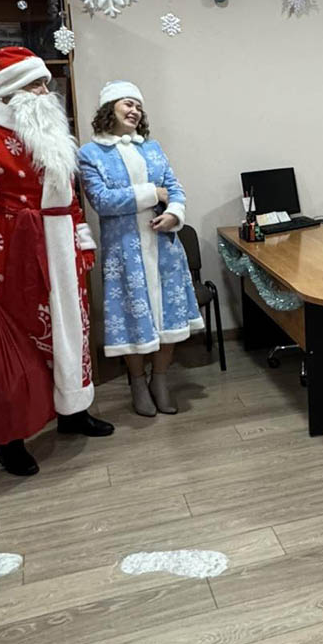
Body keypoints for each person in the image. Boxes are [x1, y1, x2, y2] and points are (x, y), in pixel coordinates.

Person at [0, 46, 114, 476]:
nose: (45, 92)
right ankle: (10, 439)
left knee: (71, 332)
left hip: (62, 250)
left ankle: (73, 412)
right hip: (14, 255)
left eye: (45, 83)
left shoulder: (53, 135)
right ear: (11, 91)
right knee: (17, 346)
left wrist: (81, 240)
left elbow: (69, 197)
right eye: (36, 84)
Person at [79, 81, 203, 417]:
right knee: (132, 318)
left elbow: (174, 187)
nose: (134, 111)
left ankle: (160, 379)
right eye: (127, 104)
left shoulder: (153, 148)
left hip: (164, 248)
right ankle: (137, 381)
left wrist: (174, 212)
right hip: (125, 253)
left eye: (138, 106)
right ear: (109, 108)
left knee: (169, 320)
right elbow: (102, 201)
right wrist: (153, 194)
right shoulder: (90, 154)